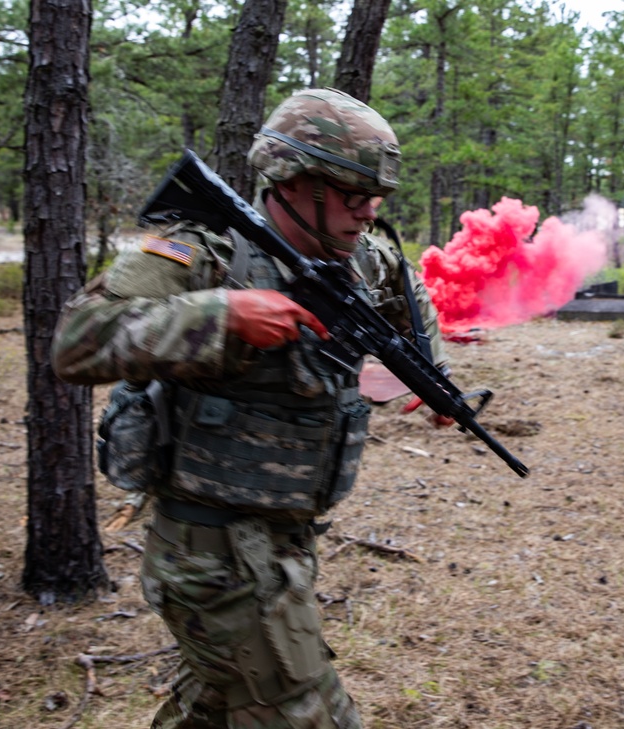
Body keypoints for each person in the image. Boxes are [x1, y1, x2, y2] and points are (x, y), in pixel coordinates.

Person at [51, 88, 449, 728]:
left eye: (376, 198)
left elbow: (409, 304)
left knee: (212, 708)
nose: (367, 213)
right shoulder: (201, 254)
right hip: (209, 551)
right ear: (294, 181)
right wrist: (220, 316)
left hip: (286, 536)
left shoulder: (361, 258)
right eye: (353, 194)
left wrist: (432, 381)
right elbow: (76, 343)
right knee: (305, 713)